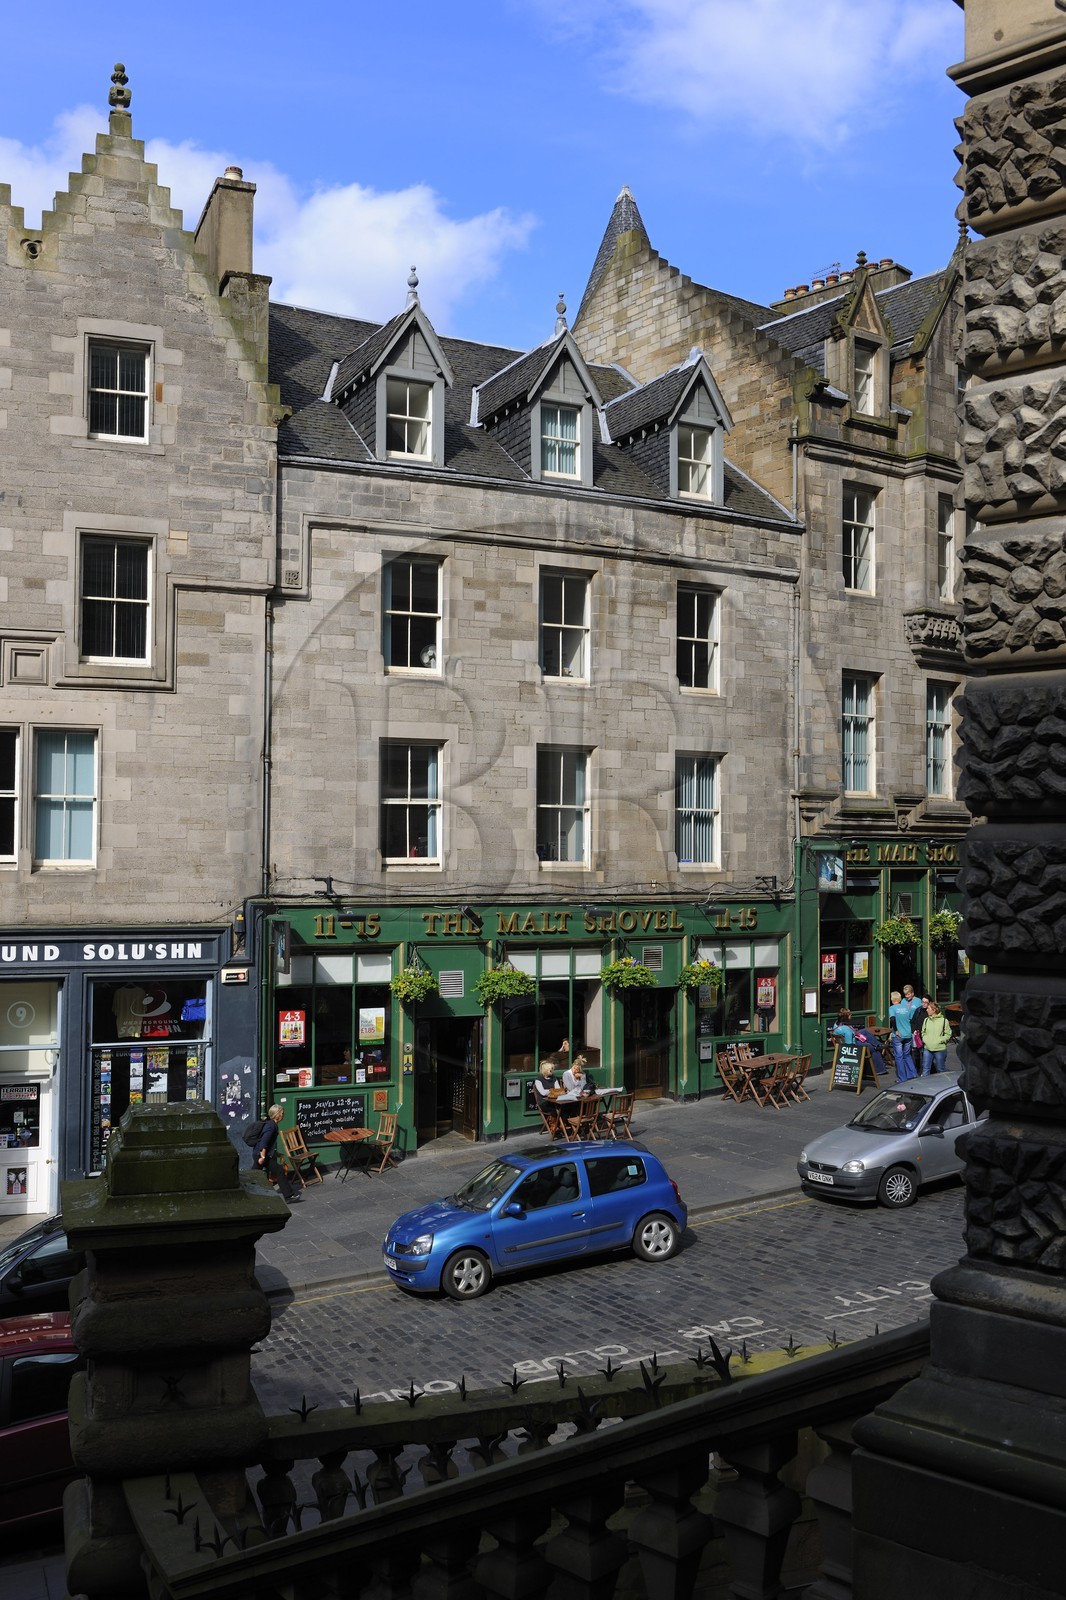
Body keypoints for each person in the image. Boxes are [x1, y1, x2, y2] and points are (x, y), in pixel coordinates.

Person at [254, 1105, 301, 1203]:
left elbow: (268, 1143)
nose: (283, 1115)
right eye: (282, 1113)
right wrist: (262, 1156)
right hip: (261, 1155)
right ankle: (288, 1196)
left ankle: (245, 1188)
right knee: (279, 1170)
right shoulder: (271, 1126)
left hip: (259, 1154)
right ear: (277, 1115)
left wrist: (276, 1153)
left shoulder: (271, 1124)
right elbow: (264, 1142)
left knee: (253, 1173)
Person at [887, 990, 917, 1082]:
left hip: (898, 1035)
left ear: (892, 1000)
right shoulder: (906, 1007)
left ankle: (902, 1078)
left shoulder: (892, 1008)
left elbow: (892, 1019)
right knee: (907, 1055)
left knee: (899, 1057)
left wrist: (895, 1030)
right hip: (908, 1034)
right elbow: (911, 1020)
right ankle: (913, 1074)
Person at [920, 1001, 952, 1076]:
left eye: (928, 1008)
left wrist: (940, 1040)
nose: (927, 1010)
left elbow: (948, 1034)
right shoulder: (926, 1020)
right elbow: (923, 1032)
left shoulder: (944, 1021)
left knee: (941, 1069)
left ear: (934, 1010)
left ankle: (946, 1083)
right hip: (927, 1048)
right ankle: (925, 1087)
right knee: (925, 1070)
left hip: (939, 1049)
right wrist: (925, 1039)